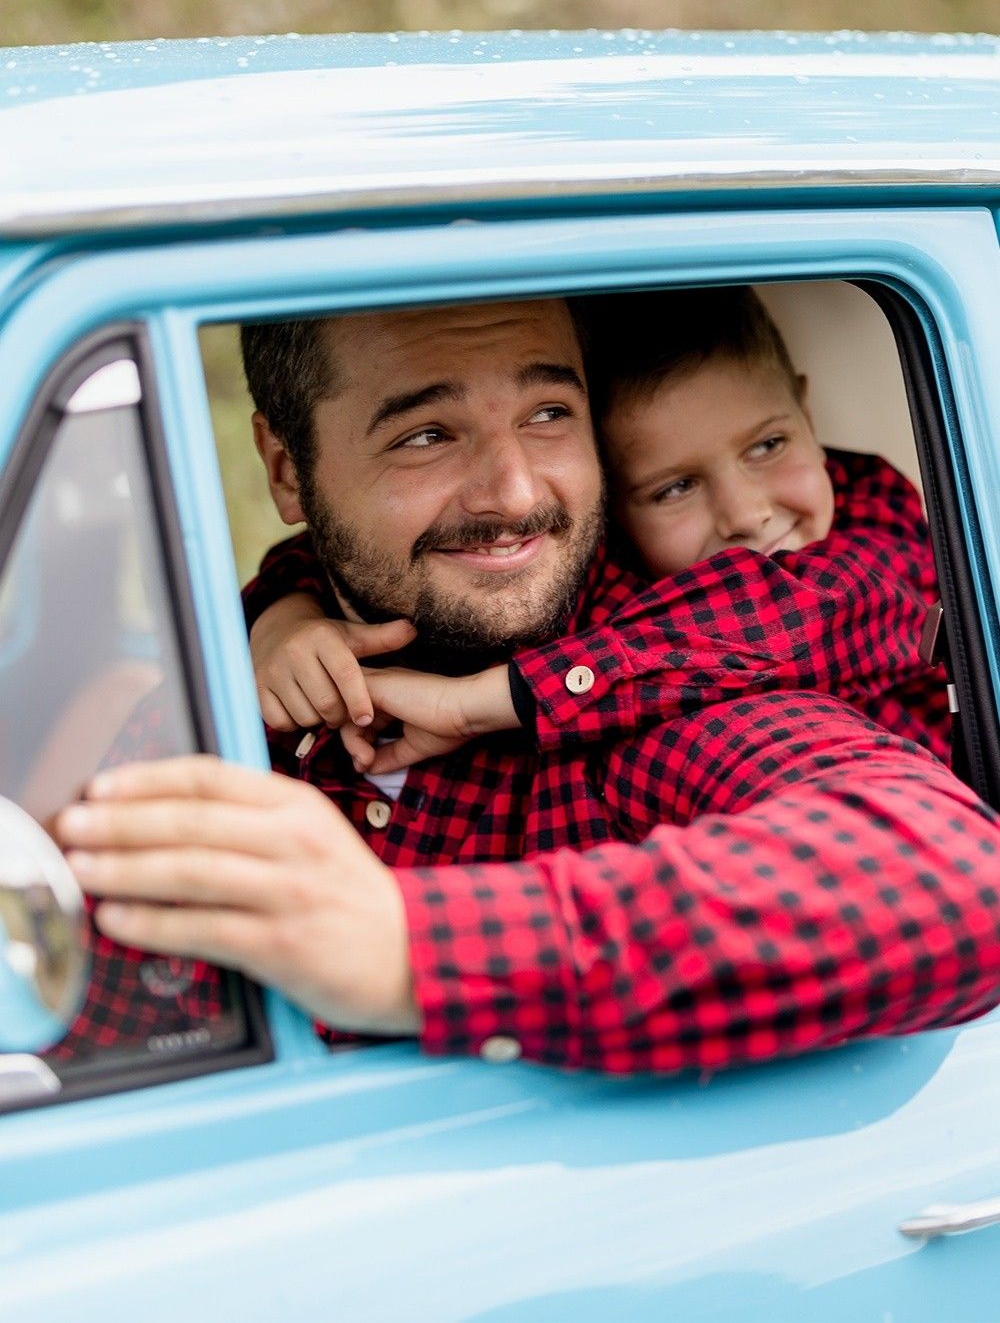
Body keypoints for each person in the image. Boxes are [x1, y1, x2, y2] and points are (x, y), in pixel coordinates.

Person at [55, 296, 1000, 1074]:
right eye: (427, 434)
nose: (513, 493)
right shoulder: (231, 687)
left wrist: (406, 947)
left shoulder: (679, 684)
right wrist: (279, 614)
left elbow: (954, 880)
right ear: (285, 470)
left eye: (549, 415)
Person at [246, 287, 949, 786]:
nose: (745, 513)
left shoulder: (876, 515)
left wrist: (496, 699)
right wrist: (285, 617)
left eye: (768, 444)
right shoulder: (629, 586)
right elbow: (331, 555)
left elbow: (790, 610)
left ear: (805, 408)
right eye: (673, 487)